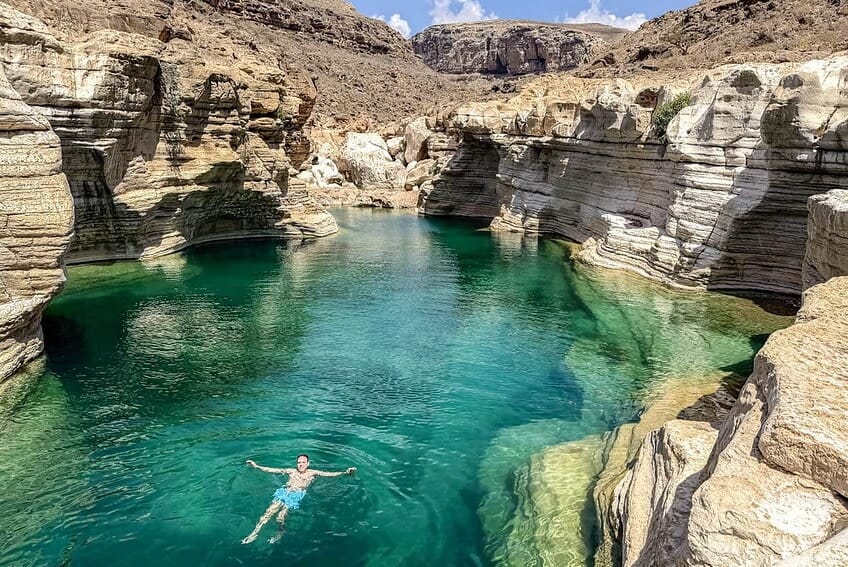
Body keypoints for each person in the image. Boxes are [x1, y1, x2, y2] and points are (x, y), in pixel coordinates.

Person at [241, 454, 356, 544]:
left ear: (308, 463)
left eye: (303, 462)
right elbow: (273, 470)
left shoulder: (312, 473)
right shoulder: (291, 471)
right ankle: (254, 534)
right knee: (267, 513)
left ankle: (280, 532)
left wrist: (345, 473)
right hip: (284, 492)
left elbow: (329, 474)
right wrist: (256, 466)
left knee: (280, 517)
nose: (300, 464)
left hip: (296, 494)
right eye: (299, 462)